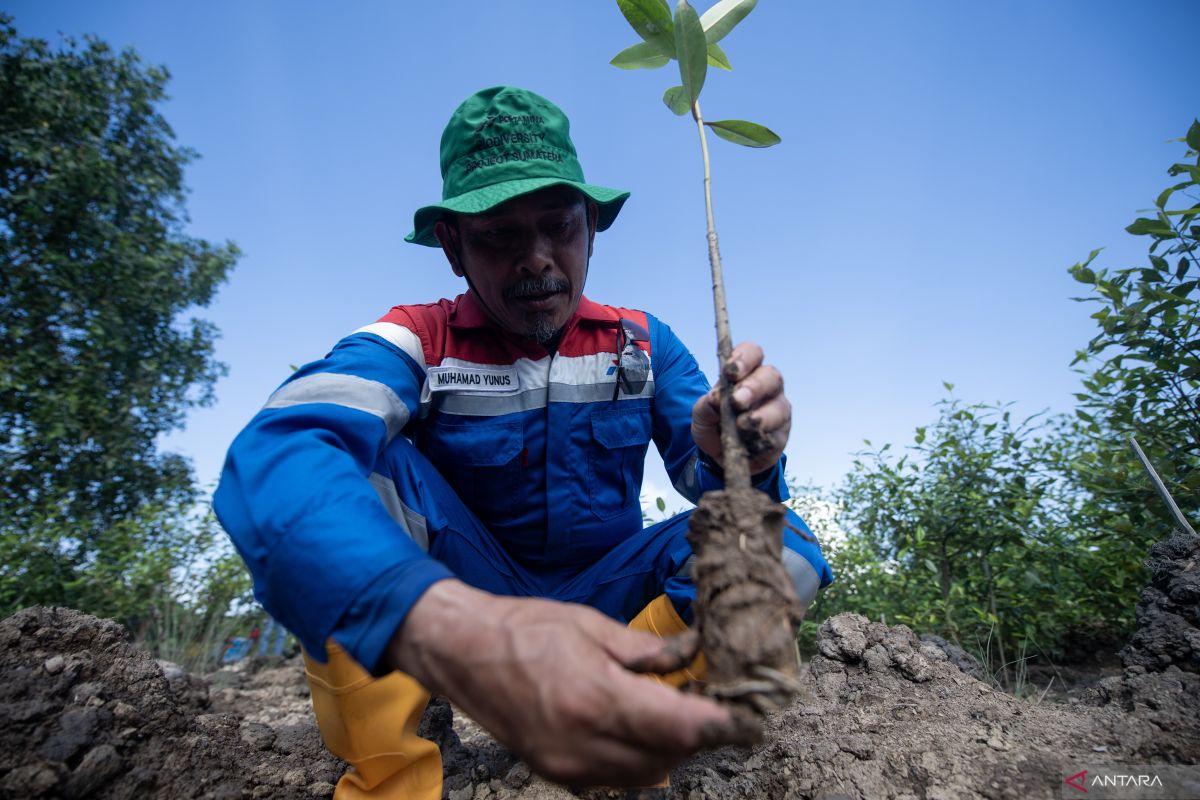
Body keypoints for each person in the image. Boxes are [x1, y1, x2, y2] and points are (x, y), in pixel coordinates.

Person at [214, 85, 832, 799]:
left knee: (775, 548)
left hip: (612, 601)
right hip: (467, 597)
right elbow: (281, 449)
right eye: (499, 234)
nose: (536, 258)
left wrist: (744, 456)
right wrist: (457, 628)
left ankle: (625, 743)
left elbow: (722, 496)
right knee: (357, 478)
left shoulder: (643, 344)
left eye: (558, 226)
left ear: (591, 226)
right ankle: (392, 781)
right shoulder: (416, 340)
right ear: (452, 246)